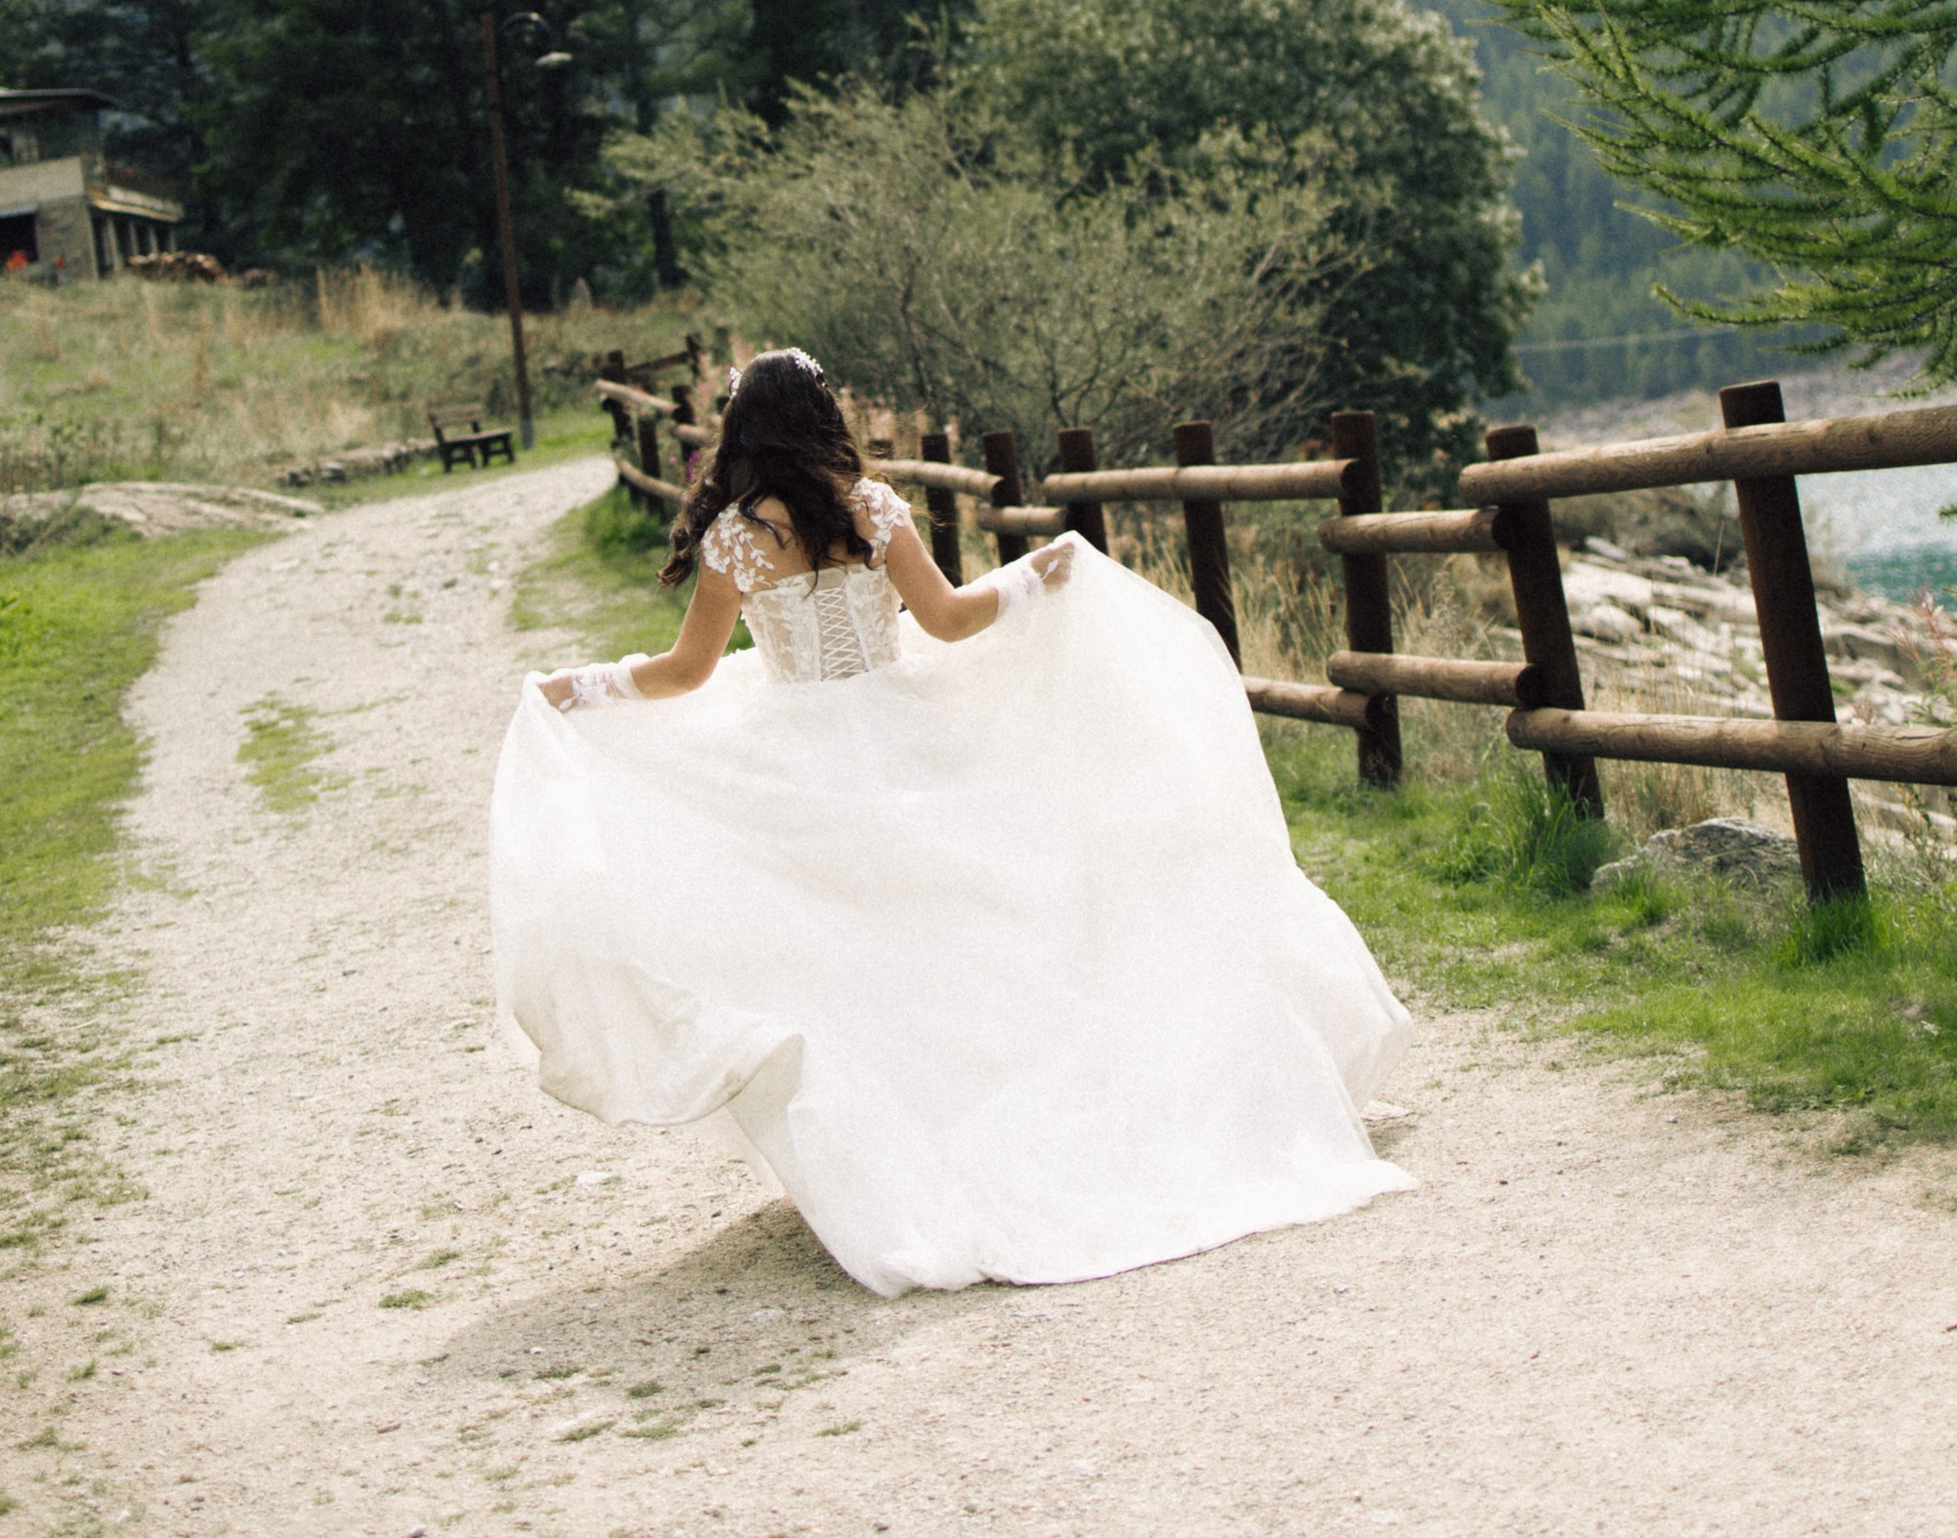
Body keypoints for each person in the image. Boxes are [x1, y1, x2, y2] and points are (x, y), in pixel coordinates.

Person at [490, 347, 1413, 1297]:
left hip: (797, 762)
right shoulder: (873, 509)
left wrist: (586, 688)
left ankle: (904, 1141)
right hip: (901, 737)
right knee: (955, 930)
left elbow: (685, 674)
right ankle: (998, 1117)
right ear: (821, 414)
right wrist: (1034, 576)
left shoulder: (734, 537)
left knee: (846, 955)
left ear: (743, 430)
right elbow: (953, 622)